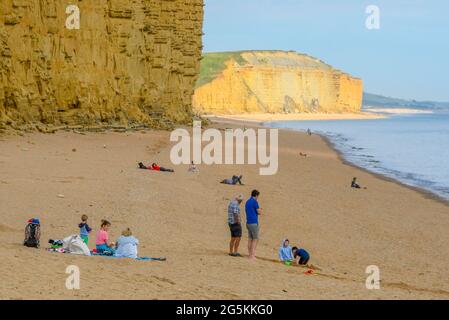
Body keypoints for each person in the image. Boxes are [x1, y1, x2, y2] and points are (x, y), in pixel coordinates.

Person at [245, 190, 262, 260]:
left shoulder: (247, 201)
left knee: (250, 239)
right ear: (256, 195)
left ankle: (250, 254)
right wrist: (261, 210)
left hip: (248, 222)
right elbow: (259, 212)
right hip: (254, 222)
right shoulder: (255, 202)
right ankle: (252, 255)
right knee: (255, 239)